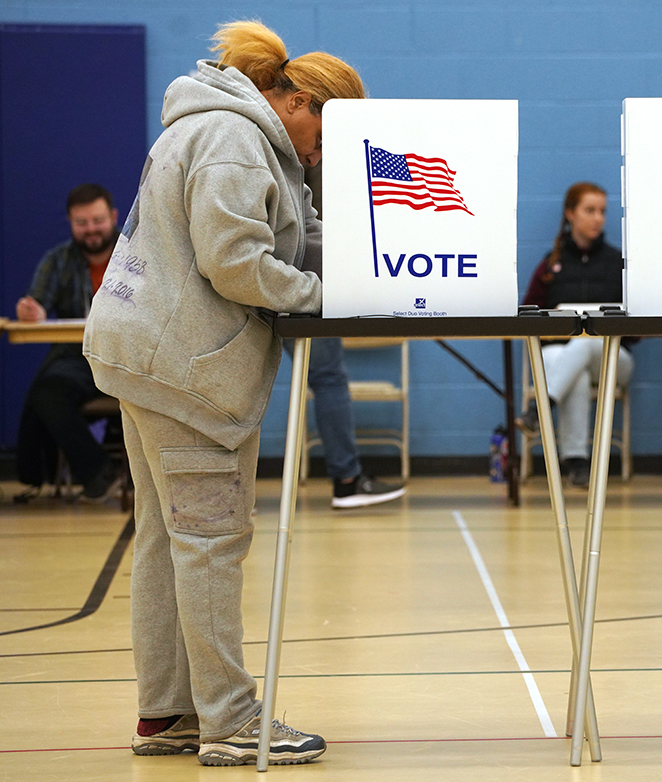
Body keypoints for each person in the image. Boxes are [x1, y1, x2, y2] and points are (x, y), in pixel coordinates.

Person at [83, 20, 365, 766]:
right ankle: (232, 721)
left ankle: (167, 712)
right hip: (186, 368)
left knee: (165, 539)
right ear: (299, 101)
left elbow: (299, 231)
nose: (320, 154)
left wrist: (373, 265)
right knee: (209, 541)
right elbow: (236, 261)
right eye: (324, 136)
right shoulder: (237, 141)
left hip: (146, 354)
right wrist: (317, 296)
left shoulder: (228, 130)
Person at [292, 160, 406, 509]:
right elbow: (322, 223)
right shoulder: (321, 146)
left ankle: (235, 488)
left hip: (292, 272)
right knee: (327, 377)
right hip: (305, 278)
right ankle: (347, 480)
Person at [515, 182, 633, 488]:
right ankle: (577, 463)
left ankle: (540, 409)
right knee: (576, 370)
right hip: (562, 354)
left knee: (584, 339)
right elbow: (529, 314)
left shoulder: (617, 262)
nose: (598, 218)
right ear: (571, 214)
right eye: (589, 210)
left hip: (612, 358)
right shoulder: (551, 264)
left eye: (602, 212)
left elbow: (637, 323)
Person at [14, 183, 121, 500]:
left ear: (113, 216)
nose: (91, 230)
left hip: (129, 357)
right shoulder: (57, 259)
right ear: (70, 223)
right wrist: (32, 311)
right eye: (82, 223)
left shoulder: (137, 254)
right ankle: (99, 470)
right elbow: (38, 304)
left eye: (98, 221)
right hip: (80, 359)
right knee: (47, 390)